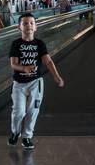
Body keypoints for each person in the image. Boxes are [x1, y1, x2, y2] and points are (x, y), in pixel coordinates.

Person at [8, 12, 65, 150]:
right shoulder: (16, 44)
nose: (29, 26)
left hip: (36, 82)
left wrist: (56, 76)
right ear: (19, 27)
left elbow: (48, 61)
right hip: (19, 83)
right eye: (25, 23)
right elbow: (13, 64)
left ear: (36, 27)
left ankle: (27, 136)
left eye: (32, 23)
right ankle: (15, 132)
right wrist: (24, 68)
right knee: (19, 111)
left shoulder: (39, 44)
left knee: (33, 110)